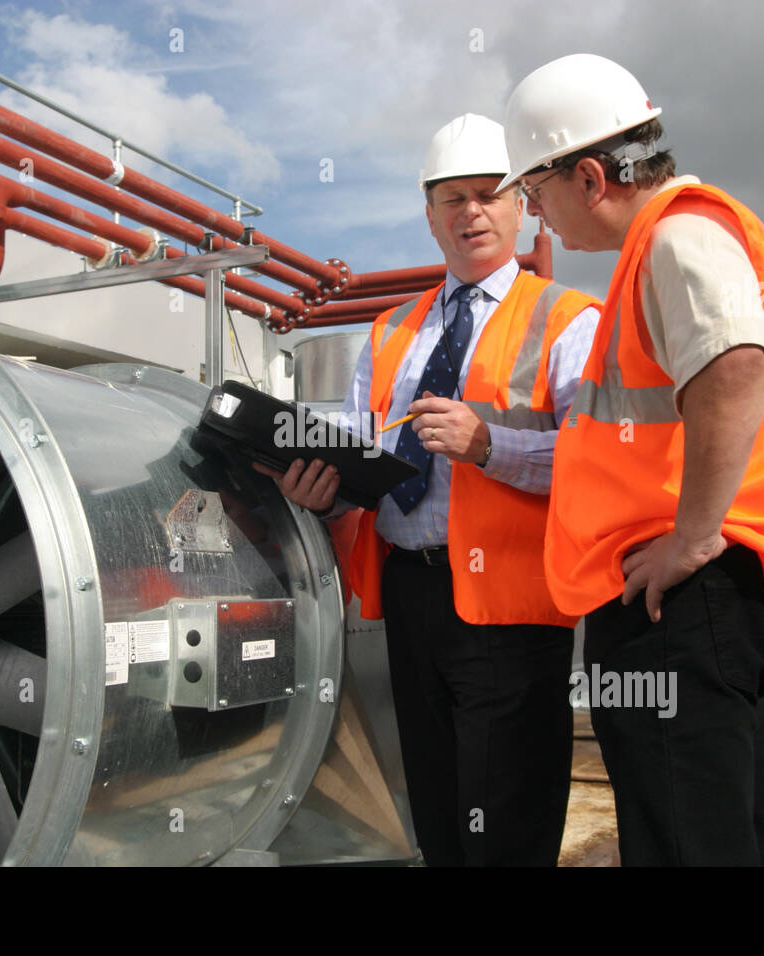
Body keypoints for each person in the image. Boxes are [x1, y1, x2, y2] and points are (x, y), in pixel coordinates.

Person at [498, 55, 764, 865]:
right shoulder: (664, 244)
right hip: (690, 596)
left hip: (689, 592)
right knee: (719, 829)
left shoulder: (679, 234)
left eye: (535, 193)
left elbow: (733, 363)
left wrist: (693, 537)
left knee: (688, 840)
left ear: (589, 177)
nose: (534, 216)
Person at [254, 113, 600, 866]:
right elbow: (358, 461)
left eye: (487, 195)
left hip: (514, 606)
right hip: (411, 598)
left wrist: (488, 445)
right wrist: (323, 490)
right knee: (435, 811)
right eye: (452, 199)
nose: (471, 212)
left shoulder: (569, 320)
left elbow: (601, 463)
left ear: (521, 207)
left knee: (509, 811)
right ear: (429, 215)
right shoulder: (389, 334)